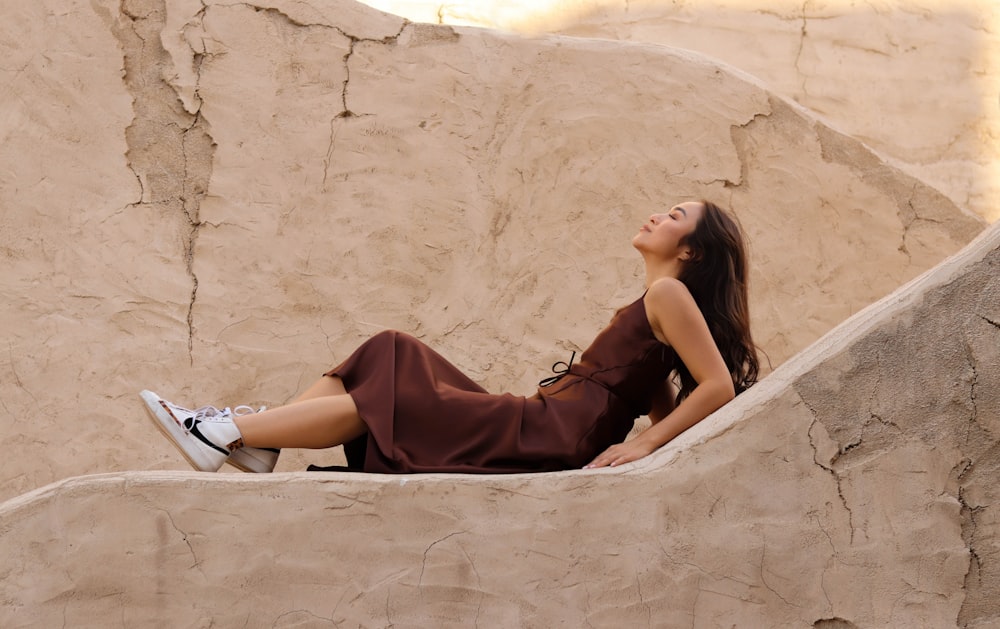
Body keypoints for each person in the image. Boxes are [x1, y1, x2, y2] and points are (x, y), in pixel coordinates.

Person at [141, 200, 759, 474]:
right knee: (391, 348)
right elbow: (654, 393)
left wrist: (647, 448)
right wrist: (656, 433)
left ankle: (220, 430)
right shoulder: (657, 302)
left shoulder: (668, 294)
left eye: (675, 217)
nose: (657, 214)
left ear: (689, 250)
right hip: (549, 419)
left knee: (397, 397)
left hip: (553, 431)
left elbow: (717, 388)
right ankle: (257, 441)